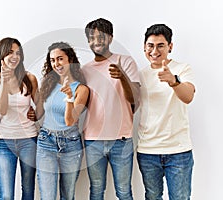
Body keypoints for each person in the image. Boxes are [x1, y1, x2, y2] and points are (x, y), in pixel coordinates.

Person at [82, 18, 140, 200]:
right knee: (96, 190)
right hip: (93, 140)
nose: (96, 41)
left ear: (111, 38)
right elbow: (83, 104)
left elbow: (135, 100)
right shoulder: (85, 70)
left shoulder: (125, 61)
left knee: (124, 191)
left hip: (121, 140)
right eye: (92, 37)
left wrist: (122, 78)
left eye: (101, 36)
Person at [137, 24, 196, 199]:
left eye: (160, 45)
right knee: (152, 196)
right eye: (150, 45)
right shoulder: (140, 75)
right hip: (148, 151)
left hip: (179, 151)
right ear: (144, 47)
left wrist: (173, 81)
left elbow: (188, 97)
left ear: (170, 46)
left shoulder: (182, 69)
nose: (154, 50)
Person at [0, 37, 38, 200]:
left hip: (29, 139)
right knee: (6, 195)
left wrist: (36, 112)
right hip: (5, 142)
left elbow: (41, 109)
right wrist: (5, 83)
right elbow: (1, 109)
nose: (15, 56)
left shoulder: (30, 78)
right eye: (10, 52)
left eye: (18, 53)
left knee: (28, 191)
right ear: (1, 54)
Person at [35, 42, 89, 200]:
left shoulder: (81, 89)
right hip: (46, 141)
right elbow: (40, 112)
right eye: (52, 60)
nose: (56, 64)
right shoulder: (48, 84)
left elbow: (70, 120)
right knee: (48, 196)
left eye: (60, 59)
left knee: (68, 195)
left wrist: (69, 98)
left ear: (70, 59)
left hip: (70, 143)